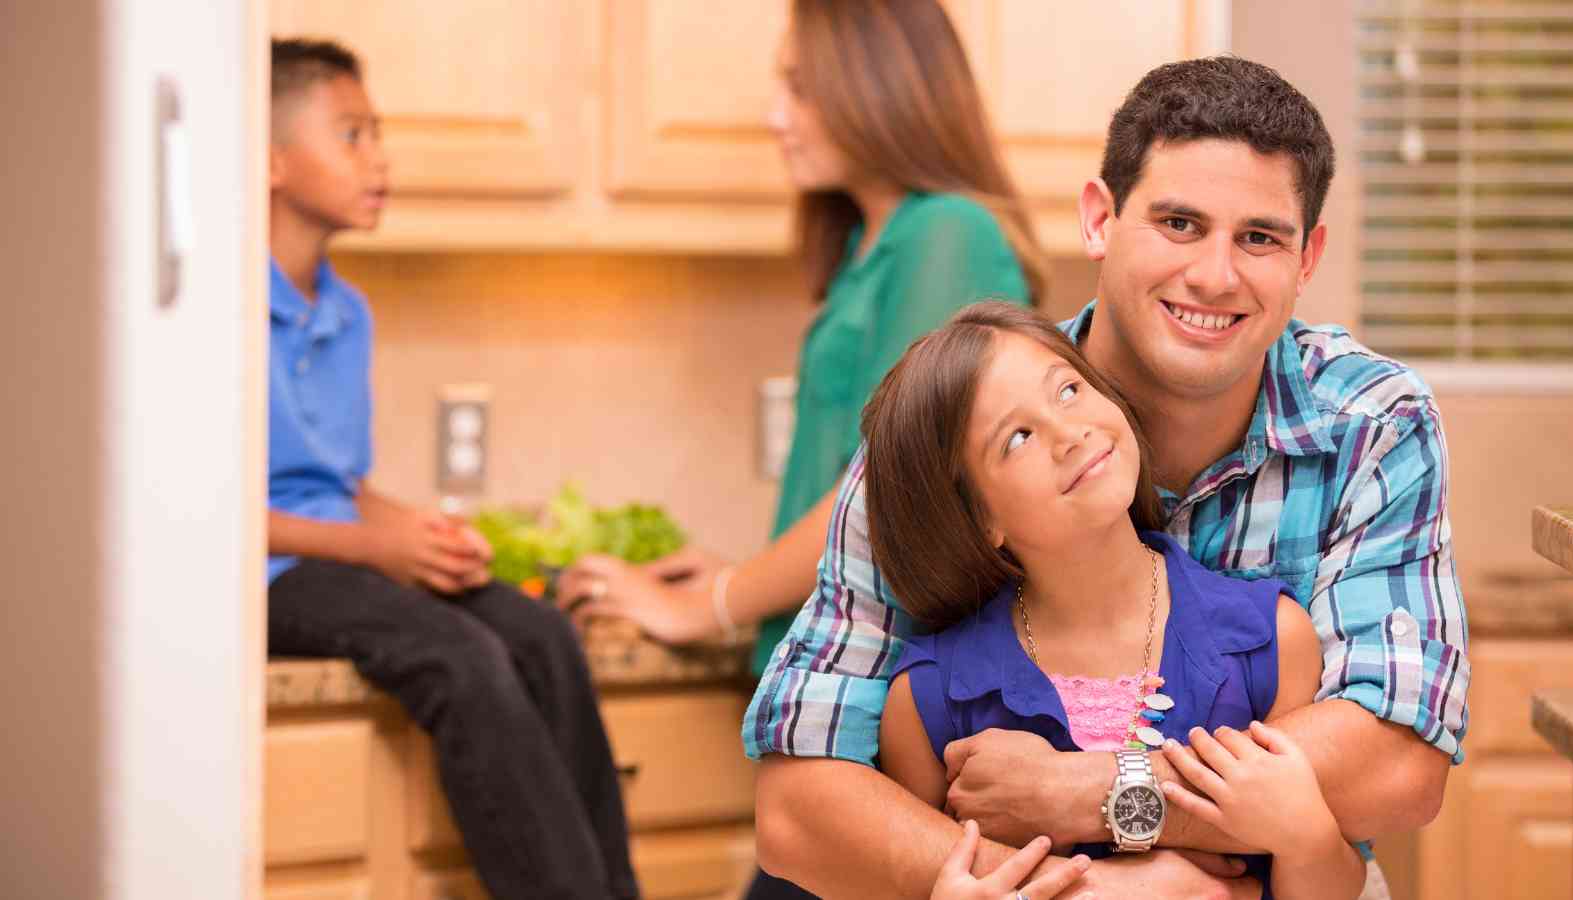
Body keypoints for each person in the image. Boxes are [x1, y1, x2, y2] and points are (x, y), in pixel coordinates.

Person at [744, 57, 1469, 899]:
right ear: (1099, 219)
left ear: (1307, 258)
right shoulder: (943, 431)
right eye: (1178, 223)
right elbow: (797, 806)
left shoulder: (1374, 421)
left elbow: (1398, 763)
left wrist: (1095, 792)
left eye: (1260, 237)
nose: (1213, 276)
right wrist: (1087, 890)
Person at [558, 6, 1043, 892]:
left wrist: (709, 603)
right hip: (835, 710)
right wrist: (751, 574)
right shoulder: (877, 244)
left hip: (893, 715)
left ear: (882, 87)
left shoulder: (946, 234)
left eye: (800, 86)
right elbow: (856, 491)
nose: (776, 115)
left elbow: (897, 492)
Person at [263, 39, 636, 900]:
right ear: (272, 163)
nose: (380, 158)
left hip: (334, 556)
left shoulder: (345, 311)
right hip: (265, 572)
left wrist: (422, 536)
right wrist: (376, 552)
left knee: (539, 634)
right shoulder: (225, 307)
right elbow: (220, 510)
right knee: (460, 656)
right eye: (352, 135)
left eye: (377, 133)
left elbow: (338, 484)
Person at [867, 302, 1366, 899]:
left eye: (1069, 390)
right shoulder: (927, 703)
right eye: (1017, 438)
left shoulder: (1272, 640)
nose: (1068, 432)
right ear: (978, 519)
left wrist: (1306, 835)